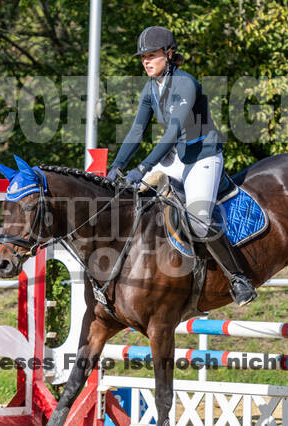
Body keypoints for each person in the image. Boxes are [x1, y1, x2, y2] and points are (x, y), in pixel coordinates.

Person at [106, 26, 256, 306]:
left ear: (169, 54)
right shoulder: (151, 88)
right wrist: (117, 165)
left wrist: (143, 167)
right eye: (143, 58)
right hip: (175, 158)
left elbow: (172, 132)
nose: (146, 62)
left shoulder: (186, 84)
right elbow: (136, 131)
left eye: (151, 55)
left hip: (202, 157)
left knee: (199, 221)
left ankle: (238, 277)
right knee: (130, 199)